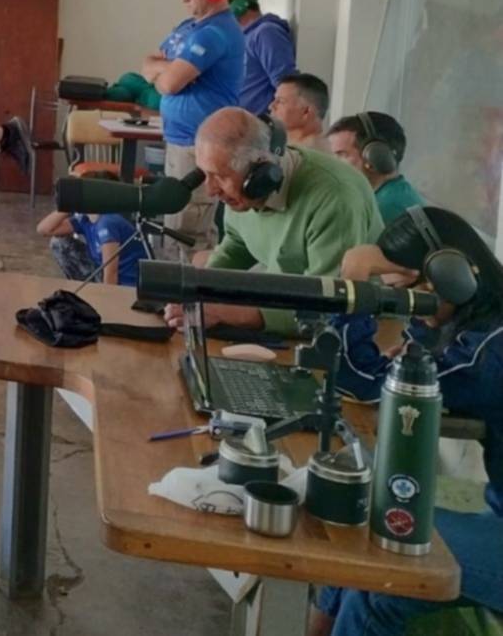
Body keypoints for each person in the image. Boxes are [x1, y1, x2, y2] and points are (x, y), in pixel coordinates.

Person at [309, 208, 502, 636]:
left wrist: (354, 282)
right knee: (364, 548)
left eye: (407, 294)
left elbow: (359, 381)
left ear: (451, 278)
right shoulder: (484, 329)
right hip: (496, 517)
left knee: (379, 556)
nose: (409, 312)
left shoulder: (488, 352)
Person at [163, 107, 382, 334]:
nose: (210, 190)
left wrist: (227, 313)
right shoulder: (241, 197)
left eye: (221, 176)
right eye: (206, 174)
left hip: (360, 331)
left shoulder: (335, 199)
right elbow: (236, 248)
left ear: (261, 174)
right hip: (291, 313)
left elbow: (328, 307)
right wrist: (196, 293)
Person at [142, 0, 247, 253]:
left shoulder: (214, 33)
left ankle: (187, 283)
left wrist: (167, 73)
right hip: (181, 141)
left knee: (188, 231)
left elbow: (168, 85)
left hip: (200, 145)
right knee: (176, 222)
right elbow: (147, 64)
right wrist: (171, 69)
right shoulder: (188, 28)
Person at [35, 171, 148, 287]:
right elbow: (44, 229)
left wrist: (106, 295)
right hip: (103, 273)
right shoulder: (85, 219)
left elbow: (111, 272)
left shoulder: (107, 223)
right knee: (59, 243)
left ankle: (93, 292)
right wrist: (69, 205)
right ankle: (87, 290)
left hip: (125, 284)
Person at [327, 111, 425, 225]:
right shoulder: (395, 193)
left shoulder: (386, 207)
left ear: (375, 156)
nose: (332, 164)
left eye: (341, 155)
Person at [227, 0, 297, 115]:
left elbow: (285, 84)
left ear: (238, 6)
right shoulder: (243, 37)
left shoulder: (266, 33)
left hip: (258, 123)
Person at [269, 72, 329, 150]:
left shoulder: (310, 153)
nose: (271, 106)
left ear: (305, 111)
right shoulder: (282, 147)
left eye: (280, 101)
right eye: (275, 100)